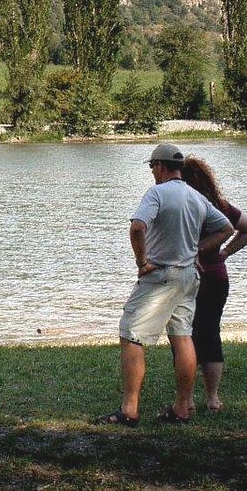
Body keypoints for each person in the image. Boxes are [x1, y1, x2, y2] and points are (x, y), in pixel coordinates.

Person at [94, 143, 233, 427]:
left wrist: (142, 262)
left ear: (159, 166)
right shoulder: (196, 197)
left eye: (151, 167)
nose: (152, 172)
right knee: (182, 336)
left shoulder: (157, 193)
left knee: (131, 334)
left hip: (160, 277)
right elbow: (226, 229)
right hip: (188, 276)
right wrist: (197, 251)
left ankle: (129, 409)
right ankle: (182, 406)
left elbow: (137, 227)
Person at [180, 156, 247, 413]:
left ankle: (188, 399)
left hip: (187, 277)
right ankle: (213, 398)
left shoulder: (180, 206)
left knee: (186, 335)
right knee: (211, 333)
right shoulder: (220, 207)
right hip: (216, 276)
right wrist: (224, 252)